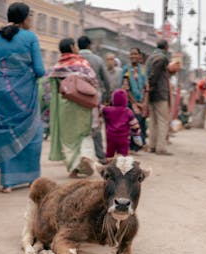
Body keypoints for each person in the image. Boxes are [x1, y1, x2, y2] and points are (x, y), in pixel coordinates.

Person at [0, 2, 45, 193]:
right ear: (24, 18)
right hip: (25, 94)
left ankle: (7, 182)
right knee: (33, 134)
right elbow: (40, 70)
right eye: (30, 16)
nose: (31, 20)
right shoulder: (30, 37)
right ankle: (32, 179)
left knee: (5, 132)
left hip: (1, 92)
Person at [48, 38, 98, 178]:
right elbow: (93, 82)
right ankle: (86, 155)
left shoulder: (57, 66)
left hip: (65, 106)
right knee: (83, 133)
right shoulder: (82, 63)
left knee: (68, 139)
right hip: (82, 104)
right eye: (75, 45)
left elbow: (53, 89)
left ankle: (74, 169)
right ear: (71, 46)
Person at [78, 36, 109, 164]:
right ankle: (101, 156)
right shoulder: (97, 60)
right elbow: (106, 80)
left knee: (78, 126)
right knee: (95, 126)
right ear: (90, 45)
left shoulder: (74, 60)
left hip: (76, 97)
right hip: (94, 97)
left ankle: (79, 157)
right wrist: (108, 95)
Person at [145, 39, 177, 156]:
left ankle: (152, 146)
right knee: (163, 120)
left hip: (151, 93)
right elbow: (156, 74)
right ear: (166, 47)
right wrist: (153, 85)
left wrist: (149, 88)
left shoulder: (150, 57)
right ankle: (161, 148)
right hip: (160, 92)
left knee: (153, 120)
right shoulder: (162, 58)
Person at [101, 89, 141, 158]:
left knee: (109, 154)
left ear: (113, 100)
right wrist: (136, 134)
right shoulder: (128, 111)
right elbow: (135, 125)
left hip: (111, 137)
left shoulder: (108, 110)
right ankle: (122, 167)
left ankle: (109, 166)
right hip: (124, 138)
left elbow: (101, 108)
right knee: (123, 156)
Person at [122, 47, 148, 151]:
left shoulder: (143, 69)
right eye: (131, 54)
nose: (133, 56)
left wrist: (144, 102)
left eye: (135, 54)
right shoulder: (126, 69)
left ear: (139, 56)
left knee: (140, 122)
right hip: (129, 101)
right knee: (131, 123)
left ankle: (136, 146)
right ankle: (131, 146)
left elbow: (147, 87)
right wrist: (134, 103)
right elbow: (126, 87)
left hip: (141, 101)